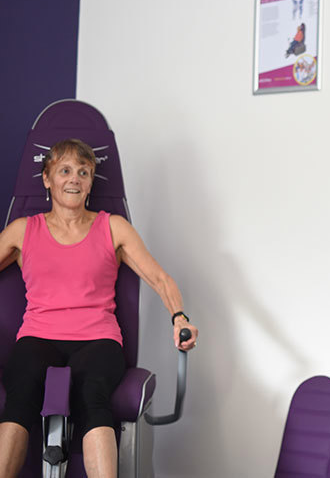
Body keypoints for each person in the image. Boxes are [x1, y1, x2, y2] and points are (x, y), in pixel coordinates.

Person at [0, 139, 199, 478]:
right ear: (47, 179)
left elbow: (160, 278)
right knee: (21, 394)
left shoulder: (113, 227)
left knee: (93, 395)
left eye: (84, 172)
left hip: (98, 339)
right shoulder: (23, 230)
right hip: (38, 336)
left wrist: (180, 317)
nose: (74, 179)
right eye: (65, 171)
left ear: (91, 181)